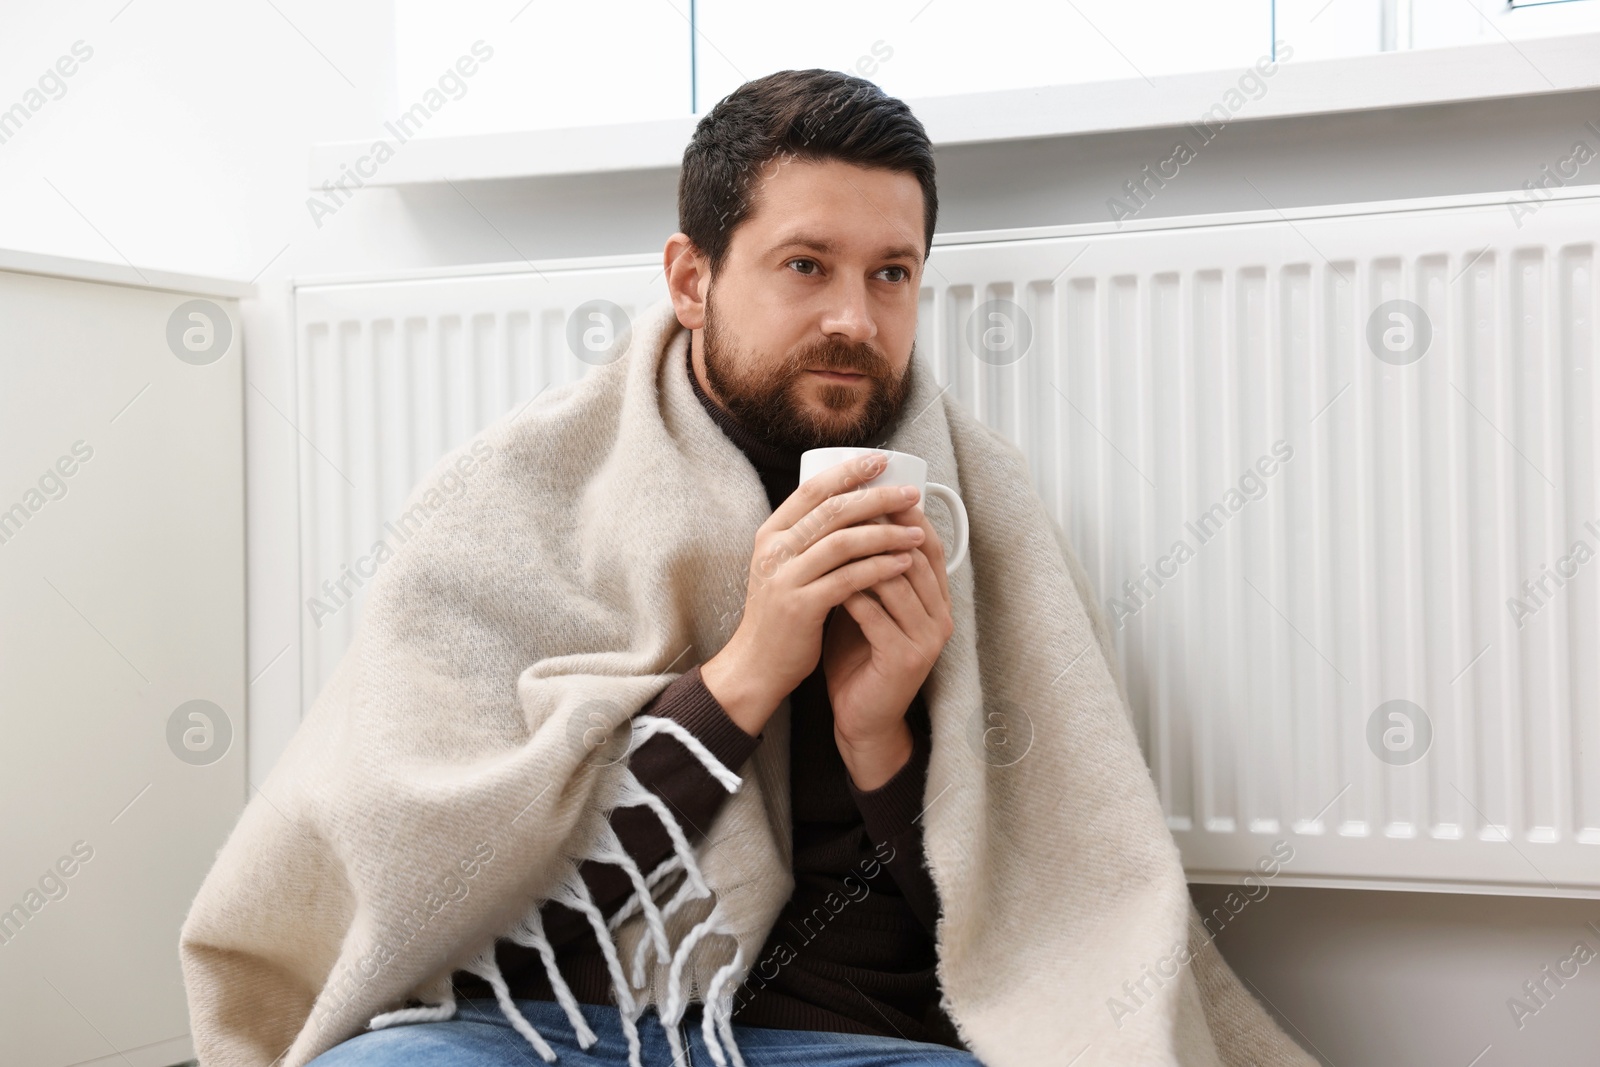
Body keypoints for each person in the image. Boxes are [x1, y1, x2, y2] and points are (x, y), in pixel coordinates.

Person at [304, 68, 979, 1066]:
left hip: (843, 1035)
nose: (855, 319)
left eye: (891, 273)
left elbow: (1017, 929)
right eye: (805, 265)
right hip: (544, 1022)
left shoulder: (976, 519)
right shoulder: (511, 496)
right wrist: (749, 672)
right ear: (690, 278)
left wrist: (876, 733)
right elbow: (437, 881)